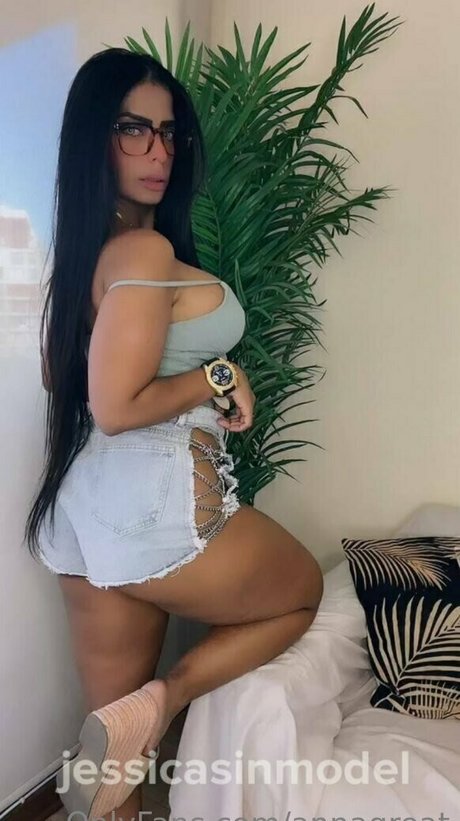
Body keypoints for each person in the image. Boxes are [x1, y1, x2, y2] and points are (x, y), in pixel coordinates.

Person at [24, 47, 323, 820]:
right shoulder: (146, 251)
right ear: (95, 138)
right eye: (133, 129)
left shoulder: (90, 255)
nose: (159, 151)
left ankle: (139, 721)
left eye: (168, 132)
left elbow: (64, 381)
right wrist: (218, 375)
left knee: (113, 759)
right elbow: (116, 405)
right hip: (154, 503)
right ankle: (168, 696)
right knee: (301, 591)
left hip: (84, 516)